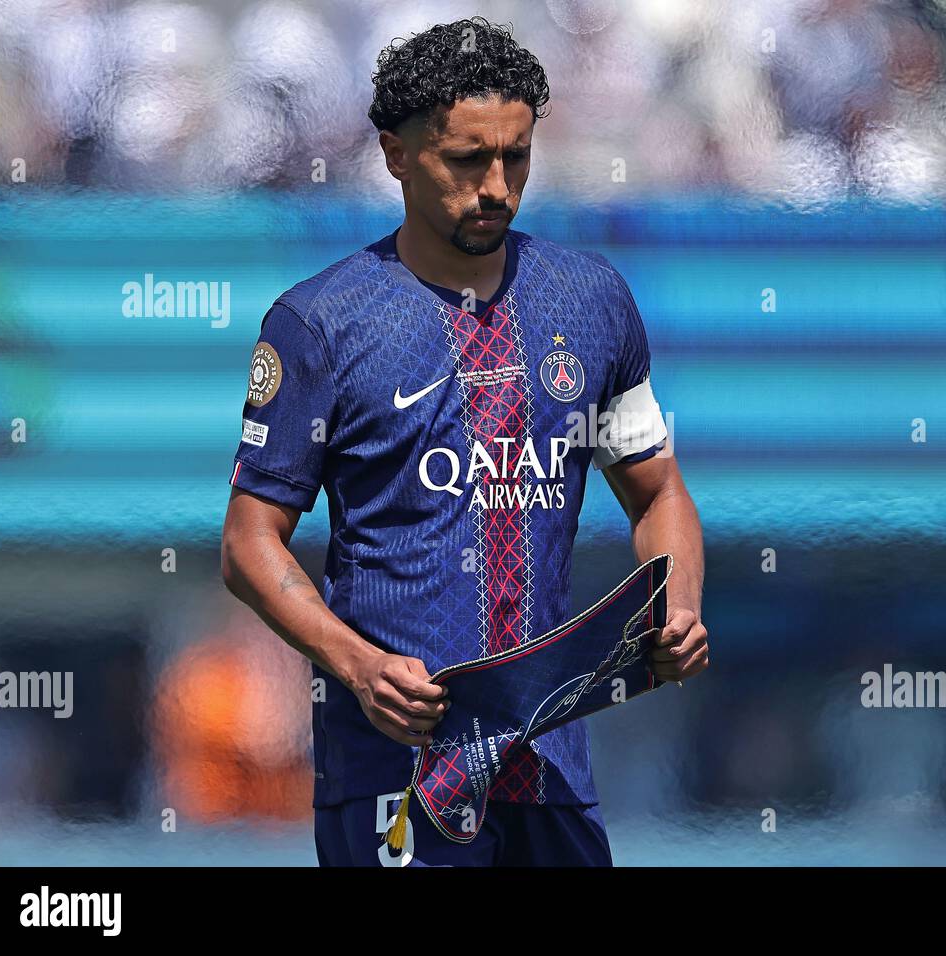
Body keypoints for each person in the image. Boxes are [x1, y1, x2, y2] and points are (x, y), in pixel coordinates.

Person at [220, 17, 708, 867]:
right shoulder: (319, 324)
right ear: (395, 154)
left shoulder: (591, 302)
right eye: (466, 160)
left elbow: (658, 491)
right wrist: (357, 664)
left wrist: (679, 606)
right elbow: (247, 543)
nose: (496, 187)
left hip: (549, 762)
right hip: (397, 765)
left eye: (516, 157)